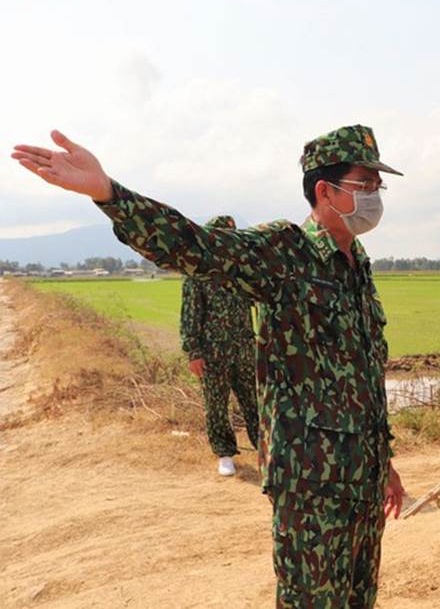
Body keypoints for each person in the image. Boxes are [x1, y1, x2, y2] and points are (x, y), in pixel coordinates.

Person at [11, 126, 407, 608]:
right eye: (365, 183)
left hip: (361, 478)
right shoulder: (284, 252)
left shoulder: (356, 264)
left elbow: (363, 378)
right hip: (311, 486)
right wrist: (110, 194)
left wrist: (382, 462)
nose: (375, 195)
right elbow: (194, 246)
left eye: (377, 186)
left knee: (359, 597)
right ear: (326, 190)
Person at [180, 214, 259, 477]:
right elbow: (190, 316)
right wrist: (194, 352)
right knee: (216, 404)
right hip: (213, 353)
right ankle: (225, 454)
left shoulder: (241, 272)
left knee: (255, 402)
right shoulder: (197, 274)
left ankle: (267, 450)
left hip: (245, 349)